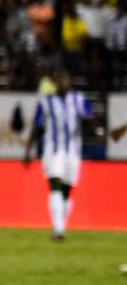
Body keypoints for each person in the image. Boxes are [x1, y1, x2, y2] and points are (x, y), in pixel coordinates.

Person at [23, 68, 94, 243]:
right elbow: (37, 127)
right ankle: (58, 229)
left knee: (66, 192)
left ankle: (61, 225)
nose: (61, 82)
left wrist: (94, 128)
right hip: (52, 151)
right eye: (58, 79)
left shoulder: (79, 100)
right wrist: (28, 150)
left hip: (73, 152)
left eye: (64, 78)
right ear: (54, 83)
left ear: (70, 81)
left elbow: (91, 119)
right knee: (54, 184)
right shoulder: (46, 102)